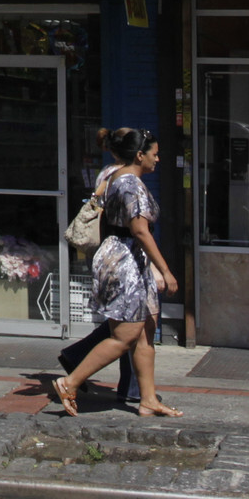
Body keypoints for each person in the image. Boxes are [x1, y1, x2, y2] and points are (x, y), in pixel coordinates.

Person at [52, 126, 180, 418]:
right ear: (139, 155)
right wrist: (166, 270)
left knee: (147, 331)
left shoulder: (119, 177)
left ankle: (147, 399)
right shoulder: (130, 185)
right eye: (154, 154)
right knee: (124, 336)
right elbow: (140, 230)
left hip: (133, 260)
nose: (157, 160)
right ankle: (69, 382)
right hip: (124, 262)